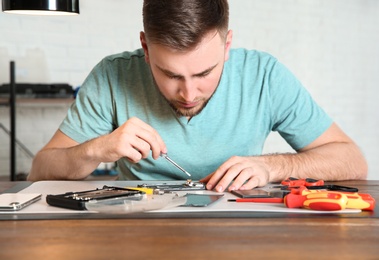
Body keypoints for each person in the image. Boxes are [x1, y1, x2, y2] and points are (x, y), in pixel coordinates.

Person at [28, 0, 367, 192]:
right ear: (146, 48)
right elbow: (40, 171)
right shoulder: (113, 74)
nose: (188, 93)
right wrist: (96, 149)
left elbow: (352, 160)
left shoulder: (264, 75)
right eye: (170, 74)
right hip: (134, 233)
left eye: (205, 73)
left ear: (227, 45)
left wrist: (272, 166)